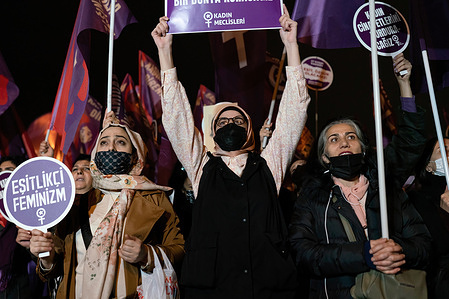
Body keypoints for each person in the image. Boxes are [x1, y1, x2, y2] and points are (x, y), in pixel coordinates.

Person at [152, 5, 310, 298]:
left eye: (238, 120)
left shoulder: (269, 166)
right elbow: (176, 118)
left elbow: (294, 111)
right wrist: (165, 53)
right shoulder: (201, 167)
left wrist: (291, 45)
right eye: (223, 121)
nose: (230, 124)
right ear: (212, 134)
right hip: (213, 288)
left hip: (267, 286)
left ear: (250, 132)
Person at [288, 54, 432, 298]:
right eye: (334, 139)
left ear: (363, 149)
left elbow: (424, 245)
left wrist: (398, 251)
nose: (344, 141)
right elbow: (304, 254)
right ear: (324, 156)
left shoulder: (387, 190)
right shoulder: (313, 199)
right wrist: (365, 254)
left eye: (351, 136)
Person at [29, 113, 185, 298]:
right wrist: (46, 258)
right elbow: (55, 266)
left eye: (120, 142)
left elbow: (179, 249)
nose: (110, 148)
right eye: (103, 142)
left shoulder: (154, 198)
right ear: (95, 152)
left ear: (135, 154)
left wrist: (146, 255)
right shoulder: (76, 202)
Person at [407, 137, 449, 298]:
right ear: (429, 166)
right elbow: (440, 247)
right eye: (442, 150)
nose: (448, 153)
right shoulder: (418, 199)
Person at [0, 156, 46, 299]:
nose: (3, 175)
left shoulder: (32, 213)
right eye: (0, 171)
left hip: (22, 289)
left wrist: (29, 244)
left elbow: (44, 260)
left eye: (8, 171)